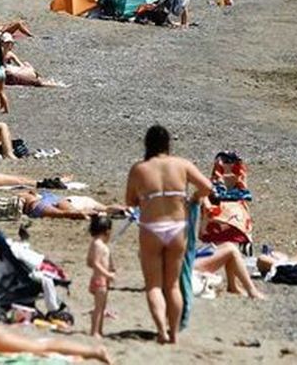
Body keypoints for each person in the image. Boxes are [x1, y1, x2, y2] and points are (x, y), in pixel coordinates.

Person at [124, 124, 212, 345]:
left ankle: (161, 330)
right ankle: (173, 333)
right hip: (176, 228)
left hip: (152, 228)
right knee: (173, 285)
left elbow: (130, 201)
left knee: (154, 285)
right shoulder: (181, 164)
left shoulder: (140, 169)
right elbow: (207, 186)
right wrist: (193, 198)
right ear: (168, 144)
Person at [86, 214, 116, 338]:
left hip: (101, 279)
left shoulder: (97, 244)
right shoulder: (98, 244)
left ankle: (99, 330)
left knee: (102, 307)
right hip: (100, 280)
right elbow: (95, 262)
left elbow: (89, 261)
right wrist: (107, 274)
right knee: (99, 308)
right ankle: (95, 331)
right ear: (107, 231)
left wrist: (111, 267)